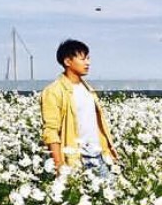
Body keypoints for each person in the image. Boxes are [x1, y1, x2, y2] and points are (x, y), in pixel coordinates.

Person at [40, 39, 118, 178]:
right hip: (76, 159)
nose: (87, 63)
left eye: (88, 58)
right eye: (82, 59)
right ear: (67, 62)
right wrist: (59, 167)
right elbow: (51, 132)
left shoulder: (88, 89)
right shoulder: (53, 91)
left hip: (98, 155)